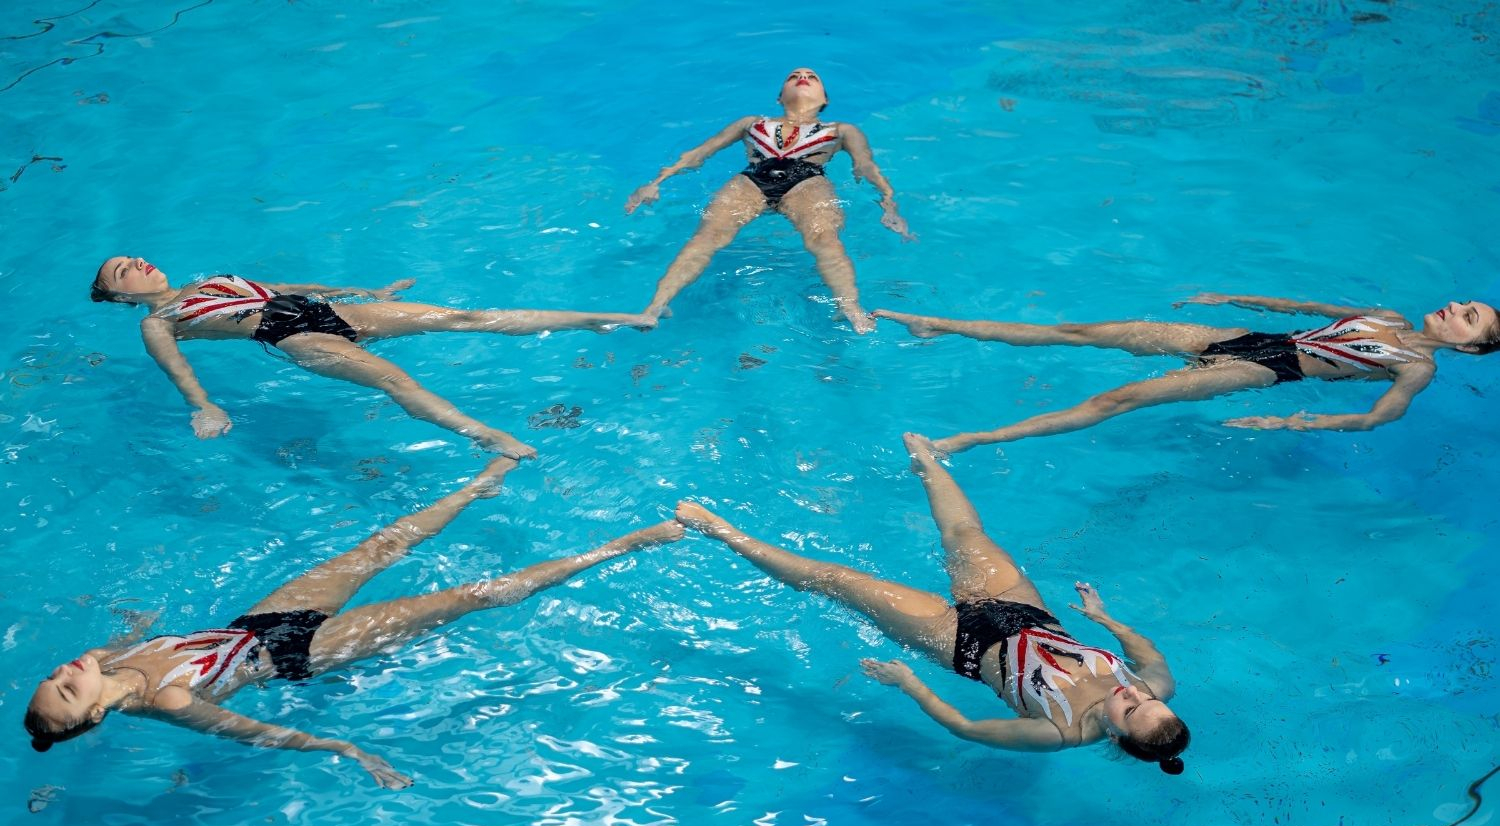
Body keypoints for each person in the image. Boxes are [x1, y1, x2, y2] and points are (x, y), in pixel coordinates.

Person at [23, 456, 685, 787]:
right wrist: (345, 749)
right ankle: (620, 545)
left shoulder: (105, 659)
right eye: (65, 688)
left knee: (381, 545)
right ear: (92, 718)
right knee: (468, 596)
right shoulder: (169, 701)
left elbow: (137, 631)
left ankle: (479, 485)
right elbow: (257, 732)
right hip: (298, 654)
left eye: (52, 674)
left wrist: (133, 620)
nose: (65, 670)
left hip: (258, 620)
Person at [673, 433, 1189, 771]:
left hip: (962, 643)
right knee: (964, 532)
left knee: (832, 578)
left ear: (1118, 738)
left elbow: (963, 728)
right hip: (1027, 613)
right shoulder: (1153, 686)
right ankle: (927, 459)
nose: (1132, 694)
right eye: (1146, 699)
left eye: (1130, 708)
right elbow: (1150, 657)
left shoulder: (1058, 732)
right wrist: (1106, 620)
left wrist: (909, 682)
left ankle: (720, 532)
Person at [90, 256, 657, 458]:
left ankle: (601, 317)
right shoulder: (158, 322)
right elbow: (178, 369)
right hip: (291, 336)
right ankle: (485, 435)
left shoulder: (210, 277)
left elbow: (287, 283)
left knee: (466, 317)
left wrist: (366, 295)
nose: (137, 264)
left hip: (323, 310)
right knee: (395, 382)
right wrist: (203, 406)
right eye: (123, 271)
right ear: (119, 297)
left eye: (133, 257)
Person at [875, 293, 1500, 453]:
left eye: (1468, 319)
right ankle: (941, 324)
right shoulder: (1386, 315)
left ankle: (976, 439)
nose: (1456, 308)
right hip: (1249, 336)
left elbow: (1372, 421)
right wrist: (1226, 295)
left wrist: (1290, 422)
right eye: (1465, 304)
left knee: (1121, 398)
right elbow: (1305, 309)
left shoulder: (1416, 368)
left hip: (1267, 372)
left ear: (1469, 350)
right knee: (1087, 332)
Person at [625, 67, 913, 333]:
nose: (802, 76)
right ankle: (655, 306)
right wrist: (654, 183)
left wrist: (889, 205)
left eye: (811, 76)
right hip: (750, 182)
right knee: (706, 236)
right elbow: (699, 153)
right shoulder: (751, 123)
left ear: (824, 98)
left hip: (807, 183)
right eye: (793, 76)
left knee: (824, 239)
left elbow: (866, 167)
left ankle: (848, 306)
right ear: (779, 98)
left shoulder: (841, 130)